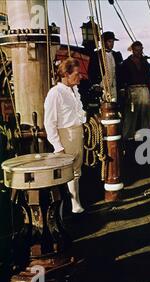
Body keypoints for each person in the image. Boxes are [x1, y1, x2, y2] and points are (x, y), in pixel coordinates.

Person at [44, 58, 87, 214]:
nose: (80, 76)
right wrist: (58, 146)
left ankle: (76, 204)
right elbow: (49, 123)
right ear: (66, 75)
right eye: (76, 74)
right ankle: (67, 207)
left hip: (77, 133)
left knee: (77, 170)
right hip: (65, 135)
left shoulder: (74, 91)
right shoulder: (55, 93)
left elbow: (79, 111)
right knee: (67, 172)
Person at [121, 41, 150, 140]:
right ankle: (128, 136)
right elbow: (122, 78)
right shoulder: (126, 63)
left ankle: (146, 134)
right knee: (131, 113)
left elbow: (149, 78)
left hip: (144, 89)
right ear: (132, 50)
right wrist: (124, 91)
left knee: (146, 113)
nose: (139, 52)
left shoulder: (144, 62)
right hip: (132, 90)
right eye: (137, 50)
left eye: (140, 50)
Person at [88, 31, 123, 103]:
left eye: (113, 42)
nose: (112, 44)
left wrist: (122, 87)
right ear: (104, 42)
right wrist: (95, 85)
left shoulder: (117, 55)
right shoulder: (97, 55)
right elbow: (91, 71)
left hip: (114, 87)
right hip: (102, 86)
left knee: (114, 107)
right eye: (109, 41)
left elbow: (121, 72)